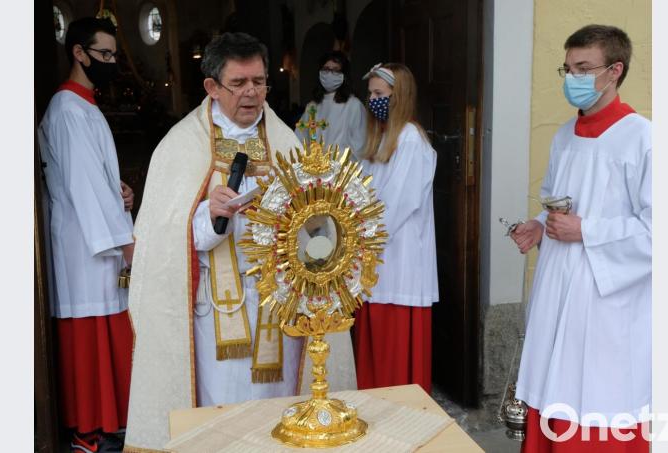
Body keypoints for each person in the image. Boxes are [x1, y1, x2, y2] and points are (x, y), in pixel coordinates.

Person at [124, 32, 357, 452]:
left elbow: (316, 227)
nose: (252, 92)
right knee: (223, 426)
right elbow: (162, 242)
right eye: (239, 83)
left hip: (279, 314)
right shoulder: (181, 146)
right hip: (214, 319)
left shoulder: (286, 142)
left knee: (280, 418)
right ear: (212, 87)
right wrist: (207, 215)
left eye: (260, 81)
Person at [510, 25, 651, 452]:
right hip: (557, 287)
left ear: (615, 71)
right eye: (568, 68)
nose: (572, 78)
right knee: (553, 382)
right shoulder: (563, 135)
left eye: (584, 68)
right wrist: (540, 224)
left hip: (604, 301)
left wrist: (586, 230)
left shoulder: (643, 139)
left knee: (596, 395)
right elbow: (556, 200)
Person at [37, 17, 135, 453]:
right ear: (78, 53)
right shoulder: (68, 110)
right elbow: (84, 187)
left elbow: (94, 178)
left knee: (108, 328)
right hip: (85, 244)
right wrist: (127, 243)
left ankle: (109, 423)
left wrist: (120, 191)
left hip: (97, 236)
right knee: (90, 335)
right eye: (104, 54)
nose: (111, 62)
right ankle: (88, 430)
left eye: (114, 54)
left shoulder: (85, 106)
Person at [354, 63, 439, 394]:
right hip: (374, 259)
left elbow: (397, 204)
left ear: (398, 96)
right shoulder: (380, 138)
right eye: (370, 93)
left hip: (399, 261)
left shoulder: (410, 140)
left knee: (395, 353)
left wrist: (359, 238)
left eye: (379, 93)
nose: (372, 100)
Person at [294, 51, 367, 157]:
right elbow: (299, 139)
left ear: (344, 75)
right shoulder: (312, 107)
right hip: (315, 165)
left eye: (336, 70)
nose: (330, 74)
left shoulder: (354, 105)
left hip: (342, 166)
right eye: (326, 69)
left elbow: (360, 145)